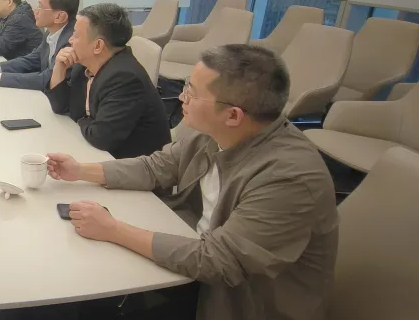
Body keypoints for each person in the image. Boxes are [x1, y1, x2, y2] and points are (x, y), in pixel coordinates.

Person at [46, 44, 338, 320]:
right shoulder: (217, 132)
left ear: (233, 115)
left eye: (192, 93)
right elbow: (156, 167)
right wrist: (79, 171)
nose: (181, 98)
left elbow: (218, 262)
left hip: (235, 302)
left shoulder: (290, 177)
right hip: (192, 259)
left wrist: (113, 230)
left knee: (75, 298)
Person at [46, 3, 170, 158]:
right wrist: (59, 68)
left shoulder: (124, 78)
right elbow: (61, 107)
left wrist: (81, 119)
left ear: (98, 46)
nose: (70, 40)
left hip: (131, 165)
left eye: (76, 35)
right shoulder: (85, 65)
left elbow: (100, 137)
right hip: (98, 153)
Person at [0, 0, 79, 90]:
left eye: (40, 6)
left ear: (60, 17)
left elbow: (48, 78)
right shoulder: (51, 32)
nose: (35, 10)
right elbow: (34, 59)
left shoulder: (72, 41)